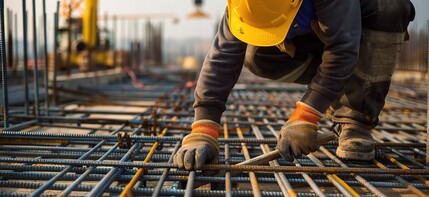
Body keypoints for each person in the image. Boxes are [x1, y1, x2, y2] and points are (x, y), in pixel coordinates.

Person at [173, 0, 415, 170]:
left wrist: (306, 114)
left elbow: (343, 48)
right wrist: (203, 129)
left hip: (359, 26)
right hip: (319, 32)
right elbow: (223, 56)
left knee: (390, 5)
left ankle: (355, 122)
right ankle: (333, 91)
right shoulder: (243, 4)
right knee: (256, 55)